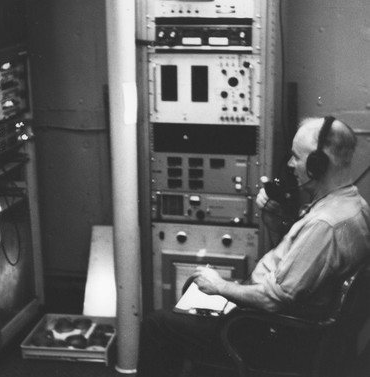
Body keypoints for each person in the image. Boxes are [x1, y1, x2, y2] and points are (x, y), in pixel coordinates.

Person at [136, 116, 370, 377]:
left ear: (318, 164)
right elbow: (305, 264)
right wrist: (275, 221)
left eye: (296, 157)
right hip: (288, 325)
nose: (291, 165)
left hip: (268, 333)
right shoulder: (354, 205)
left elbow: (273, 300)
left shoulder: (324, 225)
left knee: (157, 325)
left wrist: (219, 287)